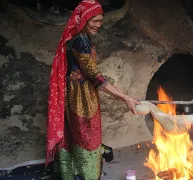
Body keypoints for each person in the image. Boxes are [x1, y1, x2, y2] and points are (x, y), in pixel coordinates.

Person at [45, 1, 140, 179]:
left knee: (74, 134)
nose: (98, 25)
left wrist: (121, 93)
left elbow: (93, 74)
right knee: (88, 137)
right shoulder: (80, 40)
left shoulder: (82, 38)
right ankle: (89, 175)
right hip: (80, 96)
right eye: (94, 20)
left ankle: (73, 174)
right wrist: (124, 98)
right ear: (83, 19)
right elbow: (95, 75)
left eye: (100, 20)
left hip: (78, 91)